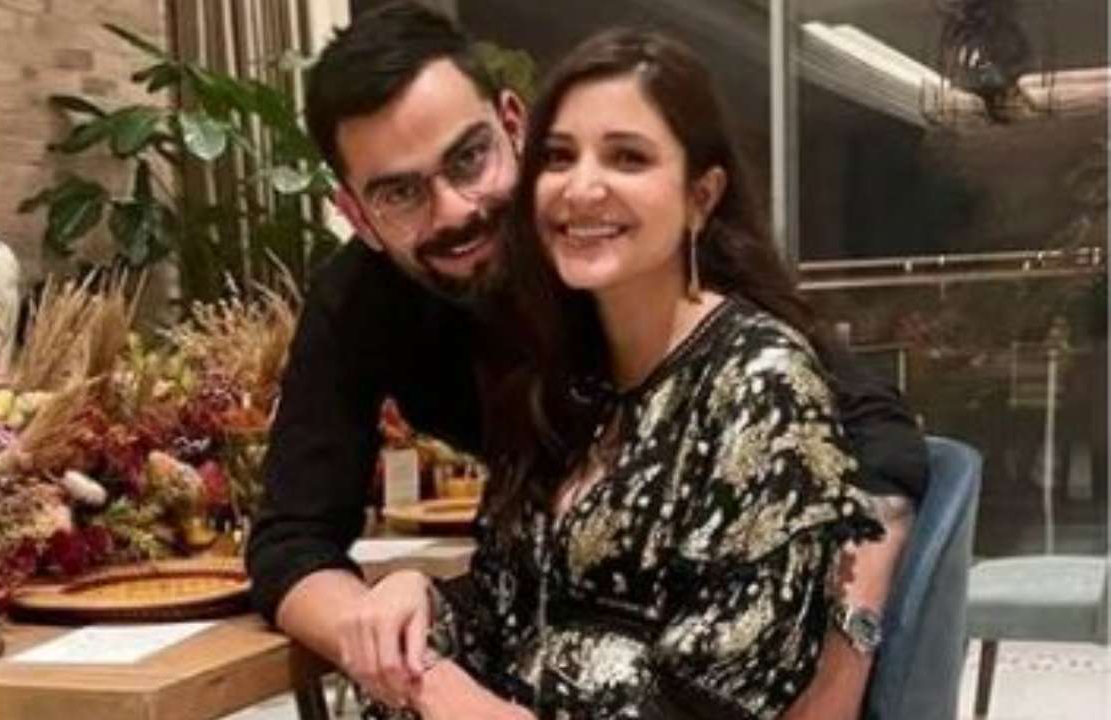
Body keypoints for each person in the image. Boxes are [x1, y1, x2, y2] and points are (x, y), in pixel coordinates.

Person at [246, 3, 925, 717]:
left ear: (513, 127)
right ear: (357, 215)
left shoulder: (715, 335)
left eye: (469, 158)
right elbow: (294, 540)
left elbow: (870, 433)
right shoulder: (378, 307)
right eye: (399, 192)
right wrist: (405, 624)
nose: (453, 211)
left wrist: (846, 648)